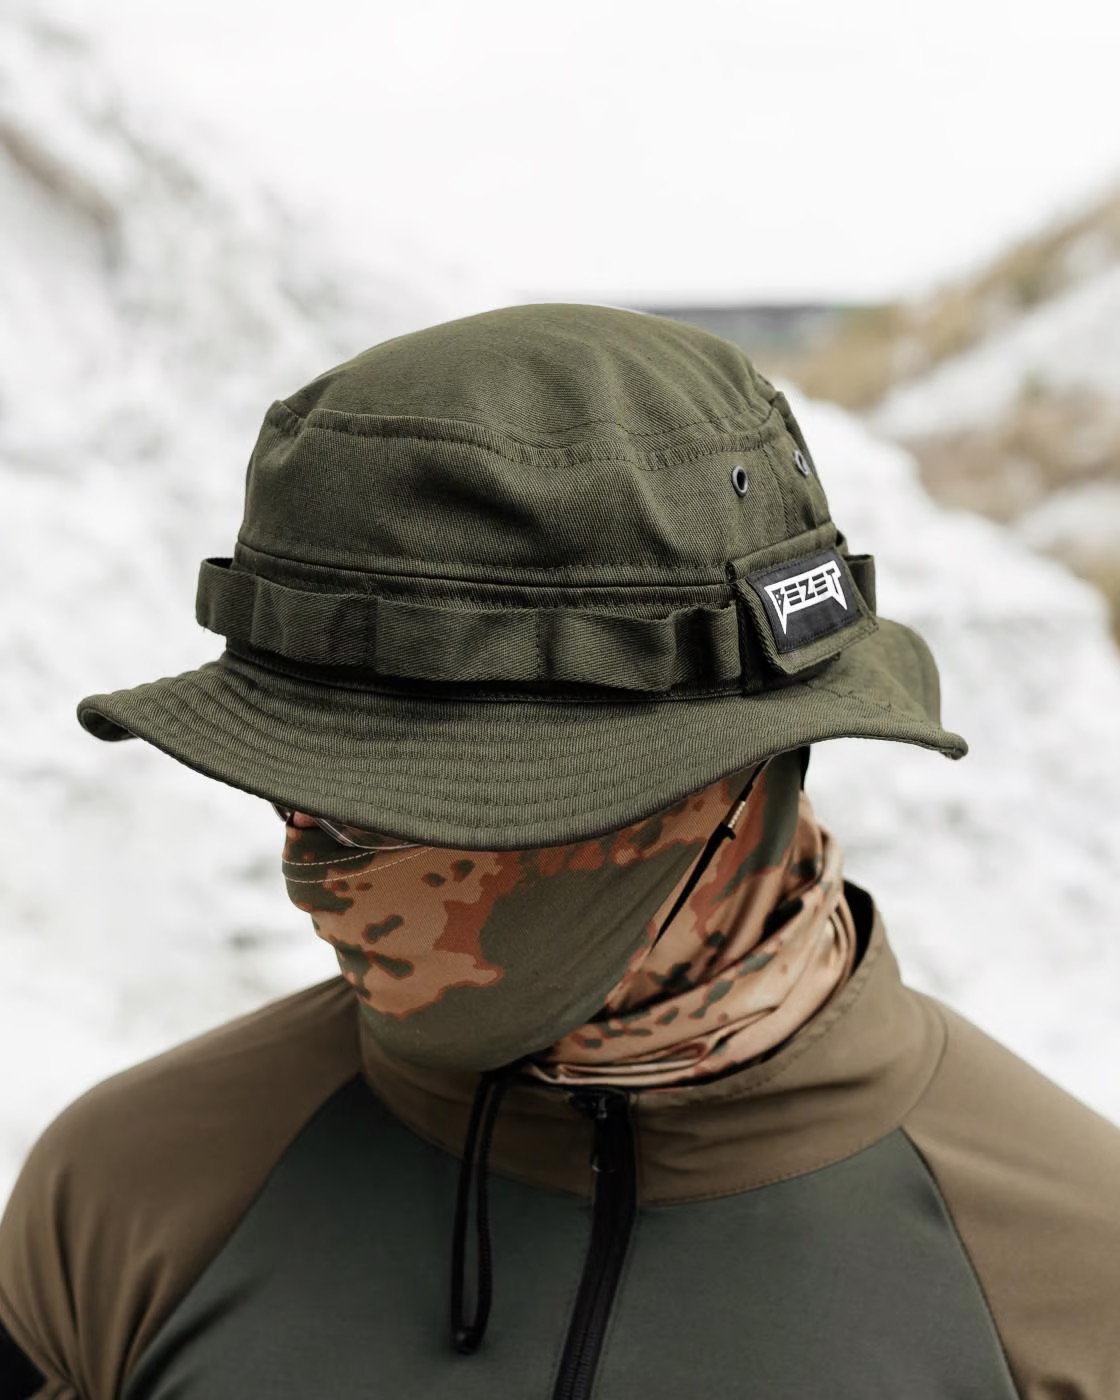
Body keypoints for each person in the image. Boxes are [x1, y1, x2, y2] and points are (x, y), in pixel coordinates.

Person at [1, 303, 1116, 1400]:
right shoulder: (128, 1196)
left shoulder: (1074, 1289)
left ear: (734, 782)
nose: (314, 879)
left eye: (420, 806)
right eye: (291, 791)